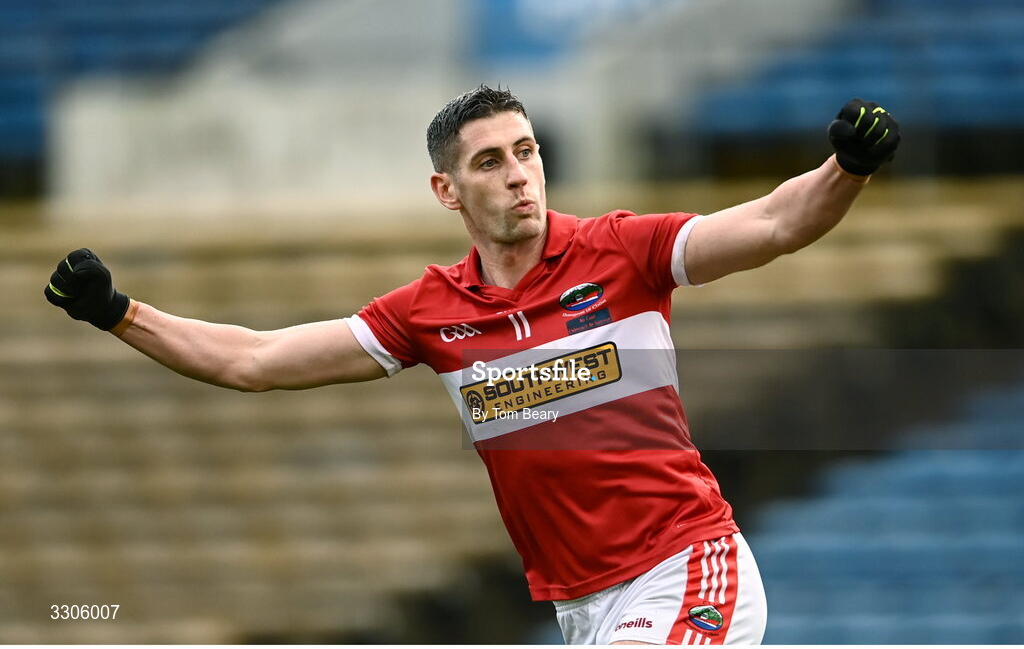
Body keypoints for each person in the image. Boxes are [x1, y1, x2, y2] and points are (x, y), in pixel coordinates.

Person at [45, 85, 899, 645]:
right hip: (580, 605)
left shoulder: (621, 252)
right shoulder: (428, 312)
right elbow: (256, 361)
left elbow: (775, 224)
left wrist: (847, 168)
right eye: (491, 162)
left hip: (684, 561)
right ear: (447, 191)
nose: (520, 176)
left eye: (526, 152)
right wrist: (121, 314)